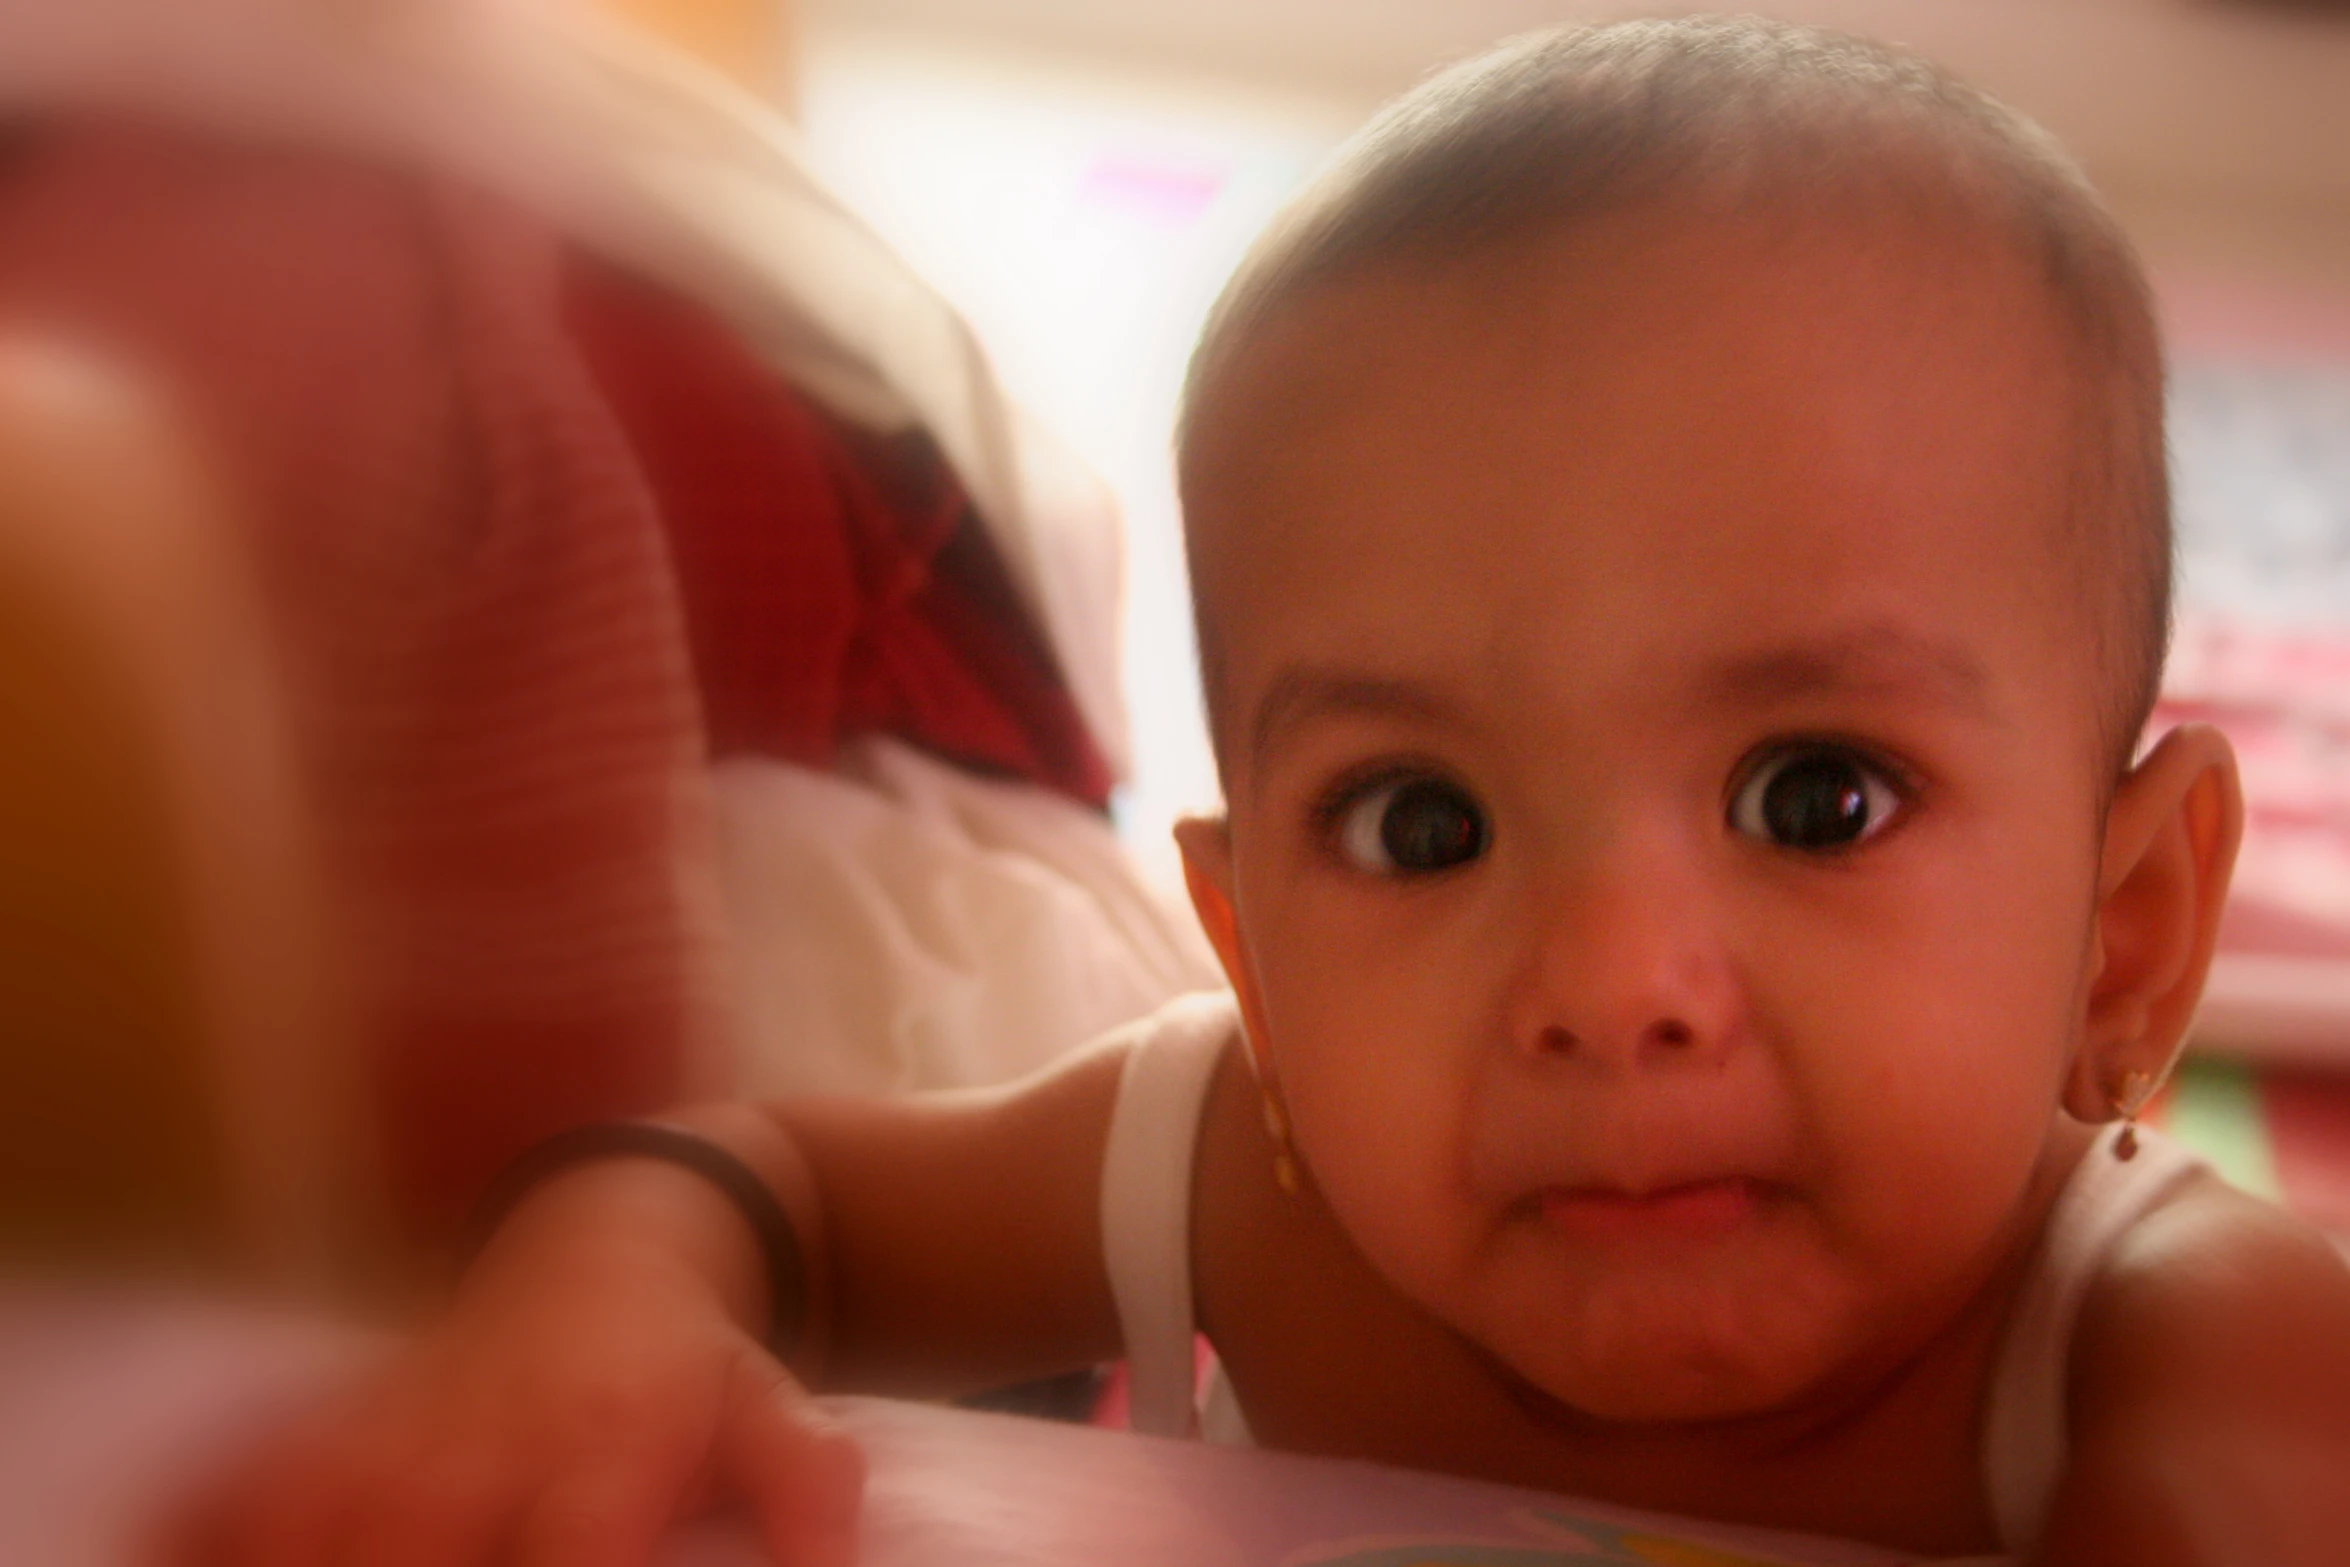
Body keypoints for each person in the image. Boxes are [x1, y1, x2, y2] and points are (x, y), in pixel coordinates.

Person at [183, 17, 2350, 1567]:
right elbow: (754, 1183)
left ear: (2122, 933)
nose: (1607, 987)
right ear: (1247, 954)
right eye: (1417, 825)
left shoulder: (2192, 1359)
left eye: (1811, 797)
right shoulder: (1249, 1180)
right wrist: (599, 1316)